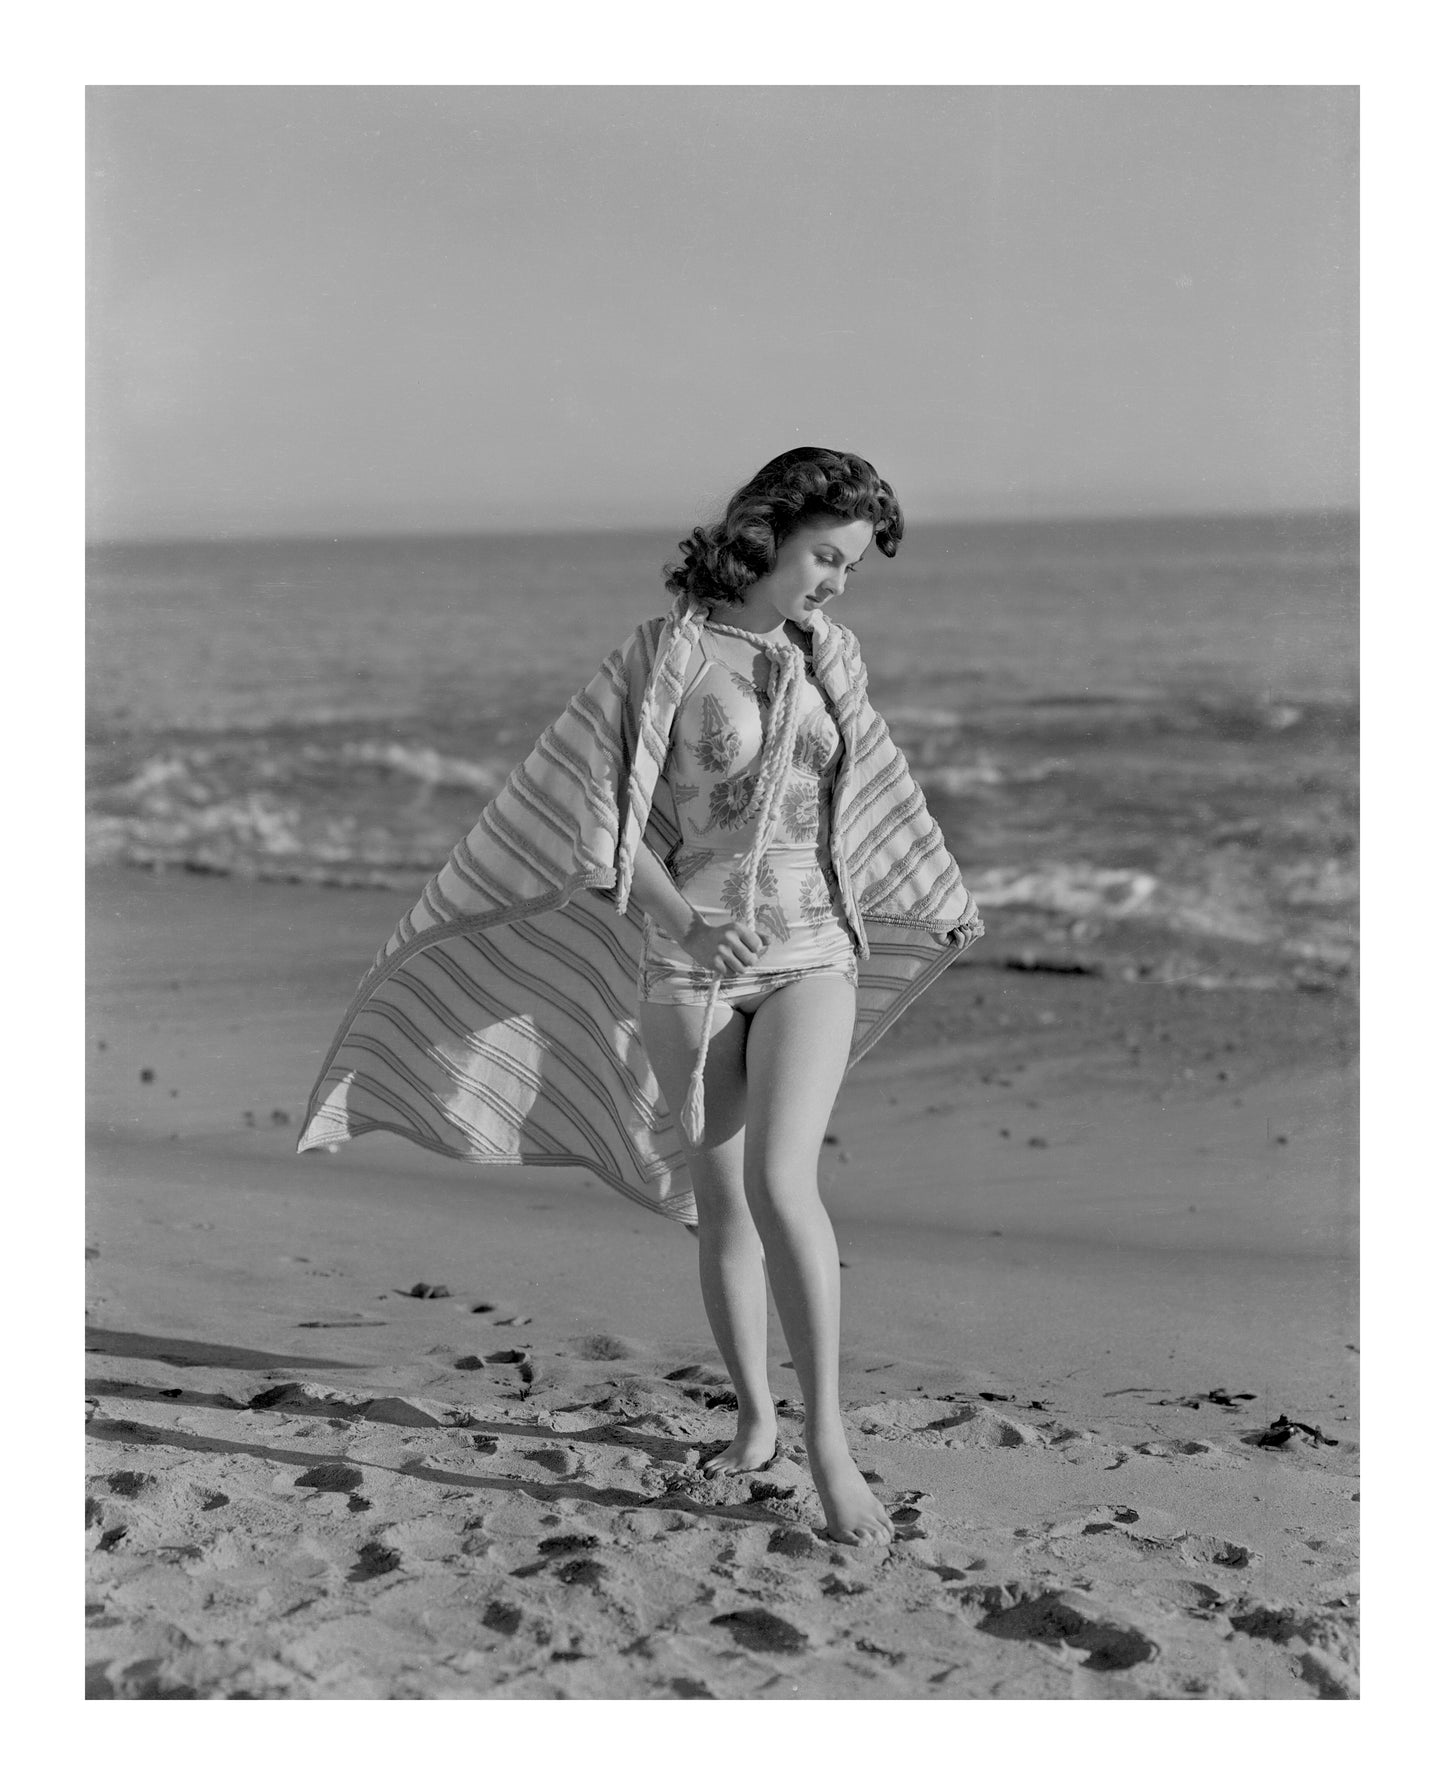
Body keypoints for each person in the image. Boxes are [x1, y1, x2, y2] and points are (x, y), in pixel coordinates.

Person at [298, 447, 982, 1546]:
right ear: (769, 530)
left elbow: (867, 799)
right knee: (719, 1207)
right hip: (687, 967)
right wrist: (686, 921)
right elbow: (601, 831)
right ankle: (756, 1417)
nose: (834, 586)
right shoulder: (659, 658)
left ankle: (828, 1447)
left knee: (778, 1178)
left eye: (850, 569)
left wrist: (922, 891)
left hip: (814, 952)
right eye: (824, 557)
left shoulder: (828, 654)